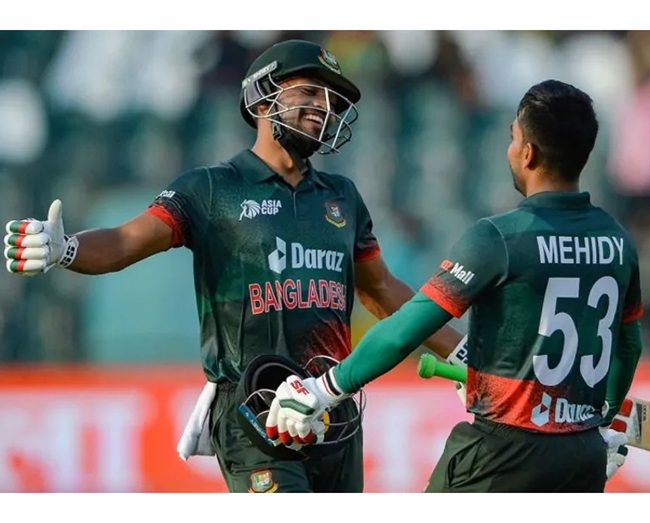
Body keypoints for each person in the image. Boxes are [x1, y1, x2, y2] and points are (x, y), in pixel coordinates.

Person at [2, 39, 464, 493]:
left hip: (331, 408)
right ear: (262, 98)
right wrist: (65, 248)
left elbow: (382, 290)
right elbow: (124, 242)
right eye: (307, 91)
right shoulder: (211, 189)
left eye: (330, 99)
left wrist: (462, 355)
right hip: (252, 409)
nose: (323, 107)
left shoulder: (341, 196)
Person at [264, 79, 643, 492]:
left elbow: (405, 330)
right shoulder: (617, 241)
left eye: (513, 139)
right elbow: (628, 347)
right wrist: (602, 424)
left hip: (502, 453)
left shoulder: (500, 237)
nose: (510, 150)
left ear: (529, 153)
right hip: (581, 455)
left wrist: (325, 388)